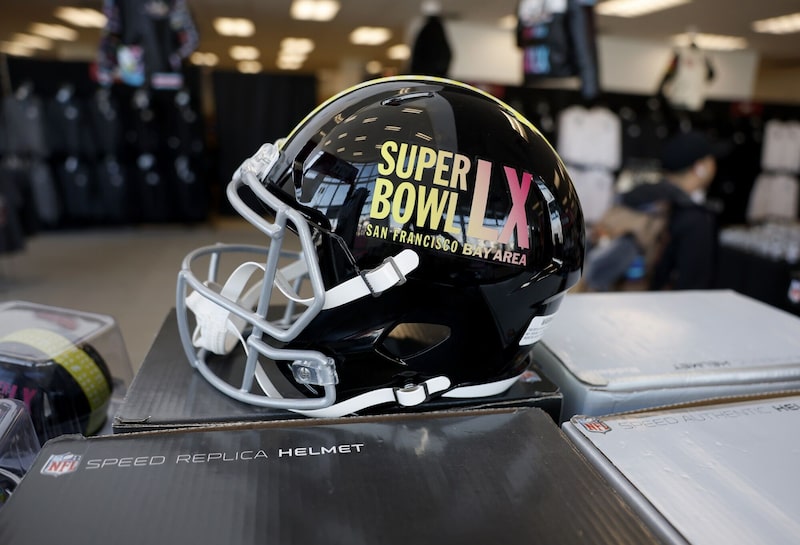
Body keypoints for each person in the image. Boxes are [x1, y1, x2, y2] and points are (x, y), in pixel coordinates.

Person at [619, 130, 727, 290]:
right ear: (699, 168)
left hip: (622, 299)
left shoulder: (641, 197)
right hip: (664, 309)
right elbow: (693, 286)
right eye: (710, 160)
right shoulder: (695, 218)